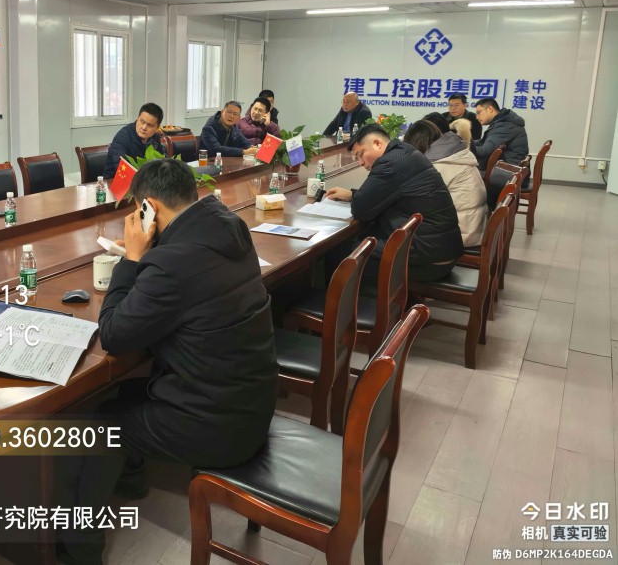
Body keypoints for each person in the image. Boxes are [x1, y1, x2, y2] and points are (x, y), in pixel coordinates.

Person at [59, 158, 277, 564]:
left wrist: (132, 258)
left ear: (150, 208)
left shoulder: (173, 264)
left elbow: (115, 334)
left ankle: (78, 551)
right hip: (251, 400)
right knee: (127, 393)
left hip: (218, 427)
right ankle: (132, 479)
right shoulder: (228, 225)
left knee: (101, 424)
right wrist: (152, 250)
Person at [325, 124, 463, 281]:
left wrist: (356, 198)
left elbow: (360, 210)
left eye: (361, 154)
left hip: (429, 261)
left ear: (377, 143)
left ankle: (351, 298)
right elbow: (386, 194)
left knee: (340, 254)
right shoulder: (405, 151)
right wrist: (352, 195)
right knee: (362, 237)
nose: (361, 163)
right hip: (438, 249)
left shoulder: (390, 163)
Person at [404, 120, 487, 247]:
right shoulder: (453, 152)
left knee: (397, 226)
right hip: (473, 225)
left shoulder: (438, 165)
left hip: (462, 233)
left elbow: (418, 200)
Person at [102, 103, 164, 179]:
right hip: (116, 181)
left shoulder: (155, 137)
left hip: (145, 181)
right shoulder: (122, 137)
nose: (144, 128)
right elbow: (122, 168)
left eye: (149, 125)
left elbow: (163, 160)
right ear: (137, 118)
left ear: (157, 128)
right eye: (142, 122)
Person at [471, 99, 530, 170]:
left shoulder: (505, 126)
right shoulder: (501, 122)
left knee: (464, 172)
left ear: (490, 109)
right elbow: (483, 142)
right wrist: (466, 142)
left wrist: (464, 146)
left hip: (507, 169)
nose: (477, 117)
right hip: (505, 166)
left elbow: (484, 151)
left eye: (479, 112)